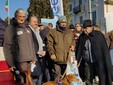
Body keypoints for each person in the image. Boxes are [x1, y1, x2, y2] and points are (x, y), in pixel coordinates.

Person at [3, 8, 37, 85]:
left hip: (29, 60)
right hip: (19, 61)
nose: (22, 18)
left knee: (29, 80)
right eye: (20, 16)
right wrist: (10, 63)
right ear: (15, 16)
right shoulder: (10, 28)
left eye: (24, 16)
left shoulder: (27, 28)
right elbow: (7, 46)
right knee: (22, 81)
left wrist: (34, 57)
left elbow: (31, 44)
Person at [76, 19, 113, 85]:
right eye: (84, 28)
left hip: (99, 62)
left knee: (102, 79)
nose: (85, 30)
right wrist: (78, 59)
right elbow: (79, 49)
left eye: (86, 28)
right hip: (88, 62)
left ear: (91, 27)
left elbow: (103, 49)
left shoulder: (98, 35)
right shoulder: (82, 37)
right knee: (88, 79)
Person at [47, 16, 75, 80]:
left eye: (64, 22)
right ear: (58, 23)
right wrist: (52, 53)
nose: (63, 24)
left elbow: (73, 40)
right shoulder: (53, 32)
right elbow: (49, 44)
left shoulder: (69, 32)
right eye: (61, 22)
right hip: (57, 58)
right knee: (57, 77)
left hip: (67, 58)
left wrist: (73, 45)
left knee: (68, 77)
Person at [28, 16, 50, 85]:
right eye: (34, 21)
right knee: (35, 76)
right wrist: (37, 52)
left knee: (40, 75)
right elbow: (29, 45)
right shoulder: (28, 31)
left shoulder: (37, 31)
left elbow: (41, 43)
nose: (36, 23)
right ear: (29, 22)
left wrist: (44, 51)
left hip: (40, 57)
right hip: (33, 58)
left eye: (37, 21)